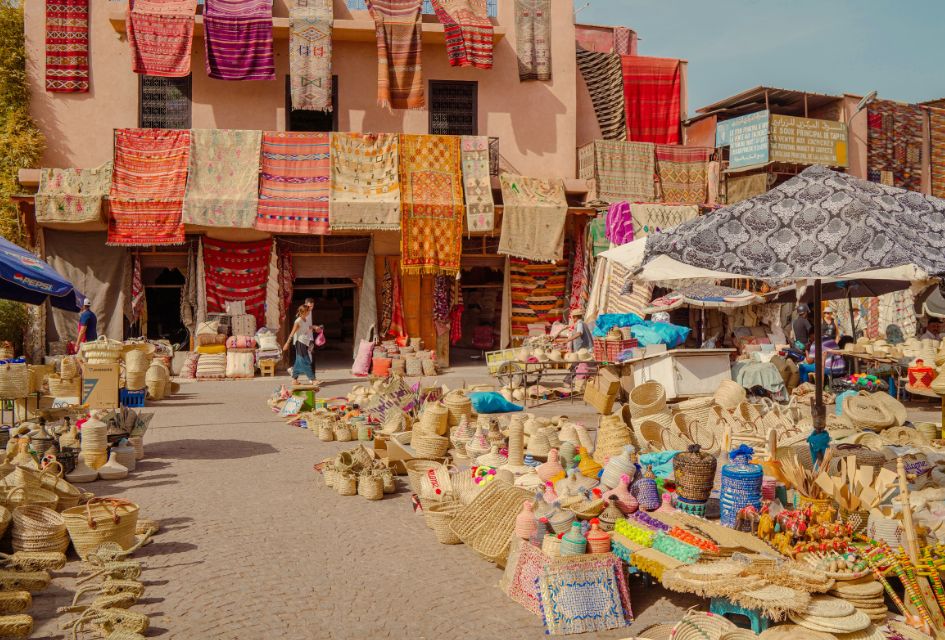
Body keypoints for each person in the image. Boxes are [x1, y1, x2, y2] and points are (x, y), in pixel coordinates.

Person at [283, 304, 315, 383]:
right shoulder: (298, 321)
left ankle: (294, 379)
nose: (309, 312)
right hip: (299, 342)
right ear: (304, 312)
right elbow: (292, 333)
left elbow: (307, 328)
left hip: (304, 342)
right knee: (306, 360)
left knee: (298, 362)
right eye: (308, 311)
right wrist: (287, 343)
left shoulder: (305, 320)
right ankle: (312, 379)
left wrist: (314, 327)